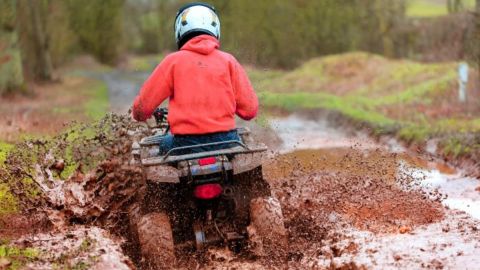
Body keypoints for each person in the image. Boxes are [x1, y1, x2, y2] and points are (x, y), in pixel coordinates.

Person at [131, 2, 258, 155]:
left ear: (179, 29)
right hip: (227, 142)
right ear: (215, 28)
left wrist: (140, 114)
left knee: (158, 146)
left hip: (184, 144)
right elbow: (249, 111)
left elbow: (142, 109)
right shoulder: (229, 61)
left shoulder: (172, 62)